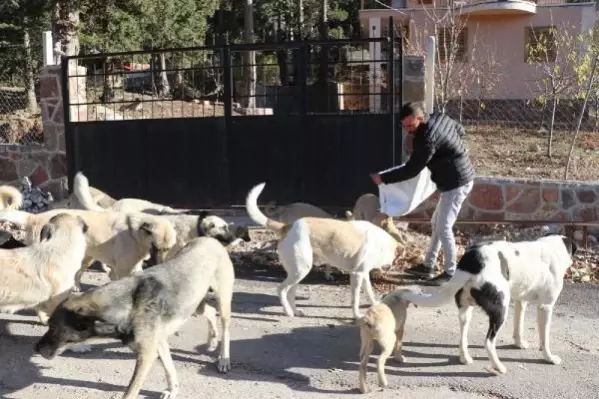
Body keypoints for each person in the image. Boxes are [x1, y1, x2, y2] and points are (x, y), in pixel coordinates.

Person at [370, 102, 475, 285]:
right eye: (404, 126)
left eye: (410, 126)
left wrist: (383, 178)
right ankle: (428, 266)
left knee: (443, 227)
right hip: (454, 179)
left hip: (457, 182)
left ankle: (450, 273)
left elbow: (412, 169)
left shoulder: (427, 138)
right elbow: (460, 130)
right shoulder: (439, 117)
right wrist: (456, 151)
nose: (407, 130)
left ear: (420, 118)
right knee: (436, 222)